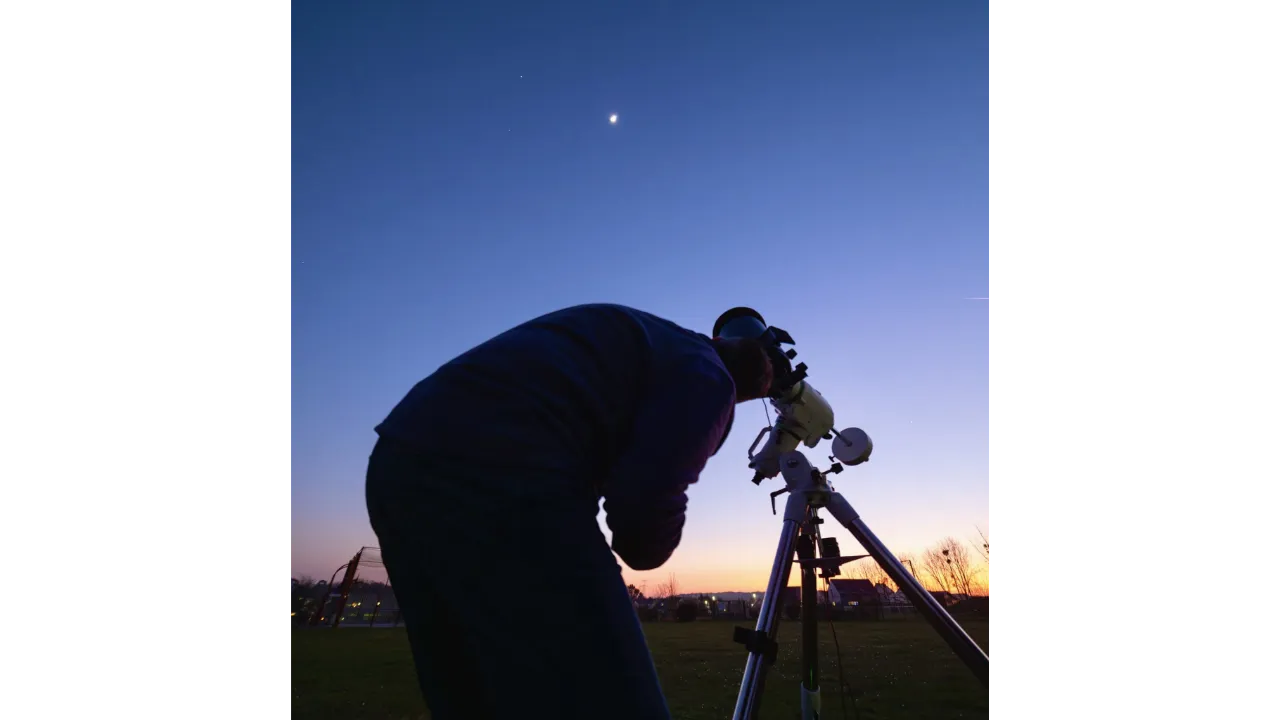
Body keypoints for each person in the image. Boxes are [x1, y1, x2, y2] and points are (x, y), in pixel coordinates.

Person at [365, 303, 774, 720]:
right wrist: (657, 543)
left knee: (471, 696)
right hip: (504, 471)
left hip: (399, 459)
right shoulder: (710, 374)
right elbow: (642, 513)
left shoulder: (654, 341)